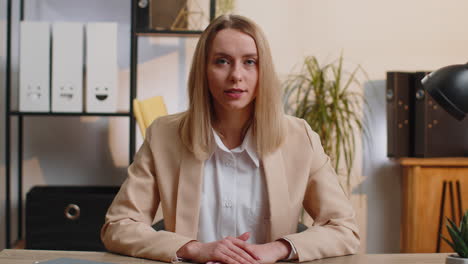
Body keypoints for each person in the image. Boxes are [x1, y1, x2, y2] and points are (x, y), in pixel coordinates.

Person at [101, 14, 359, 264]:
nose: (236, 75)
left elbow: (343, 228)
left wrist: (278, 249)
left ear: (263, 71)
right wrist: (193, 249)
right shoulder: (163, 135)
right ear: (204, 70)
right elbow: (119, 226)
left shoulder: (299, 137)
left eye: (249, 62)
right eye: (222, 61)